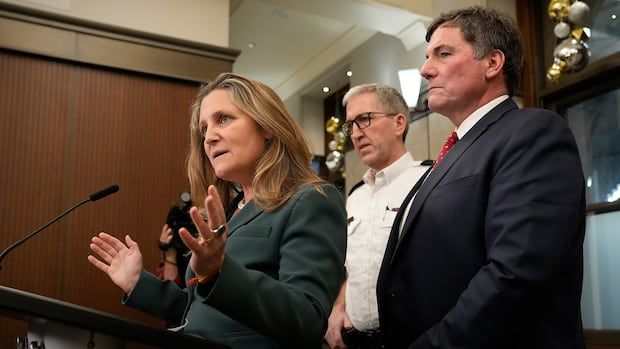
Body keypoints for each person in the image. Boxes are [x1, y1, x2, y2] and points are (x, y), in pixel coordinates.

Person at [376, 6, 586, 349]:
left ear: (492, 63)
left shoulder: (532, 133)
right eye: (428, 56)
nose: (426, 70)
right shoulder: (453, 151)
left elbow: (516, 273)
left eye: (443, 54)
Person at [88, 72, 347, 349]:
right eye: (204, 129)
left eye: (223, 119)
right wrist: (138, 283)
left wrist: (219, 272)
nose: (209, 137)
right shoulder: (230, 212)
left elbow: (306, 318)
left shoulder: (312, 200)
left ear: (267, 126)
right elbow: (200, 311)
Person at [324, 84, 431, 349]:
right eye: (351, 125)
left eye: (365, 119)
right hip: (356, 341)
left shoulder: (429, 181)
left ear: (398, 123)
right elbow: (352, 268)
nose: (356, 135)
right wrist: (338, 307)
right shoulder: (356, 195)